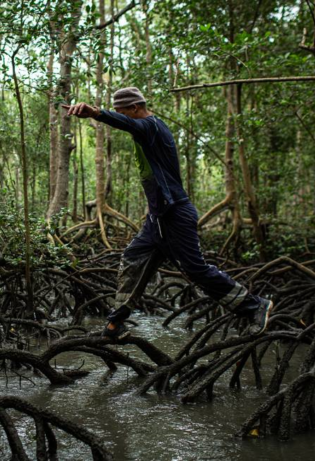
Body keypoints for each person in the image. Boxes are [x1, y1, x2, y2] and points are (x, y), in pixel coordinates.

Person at [62, 87, 274, 340]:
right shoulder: (145, 131)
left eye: (124, 114)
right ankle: (115, 324)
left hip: (176, 213)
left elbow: (132, 126)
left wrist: (97, 113)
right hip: (158, 219)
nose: (125, 119)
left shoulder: (152, 127)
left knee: (195, 270)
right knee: (133, 258)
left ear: (135, 108)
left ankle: (255, 306)